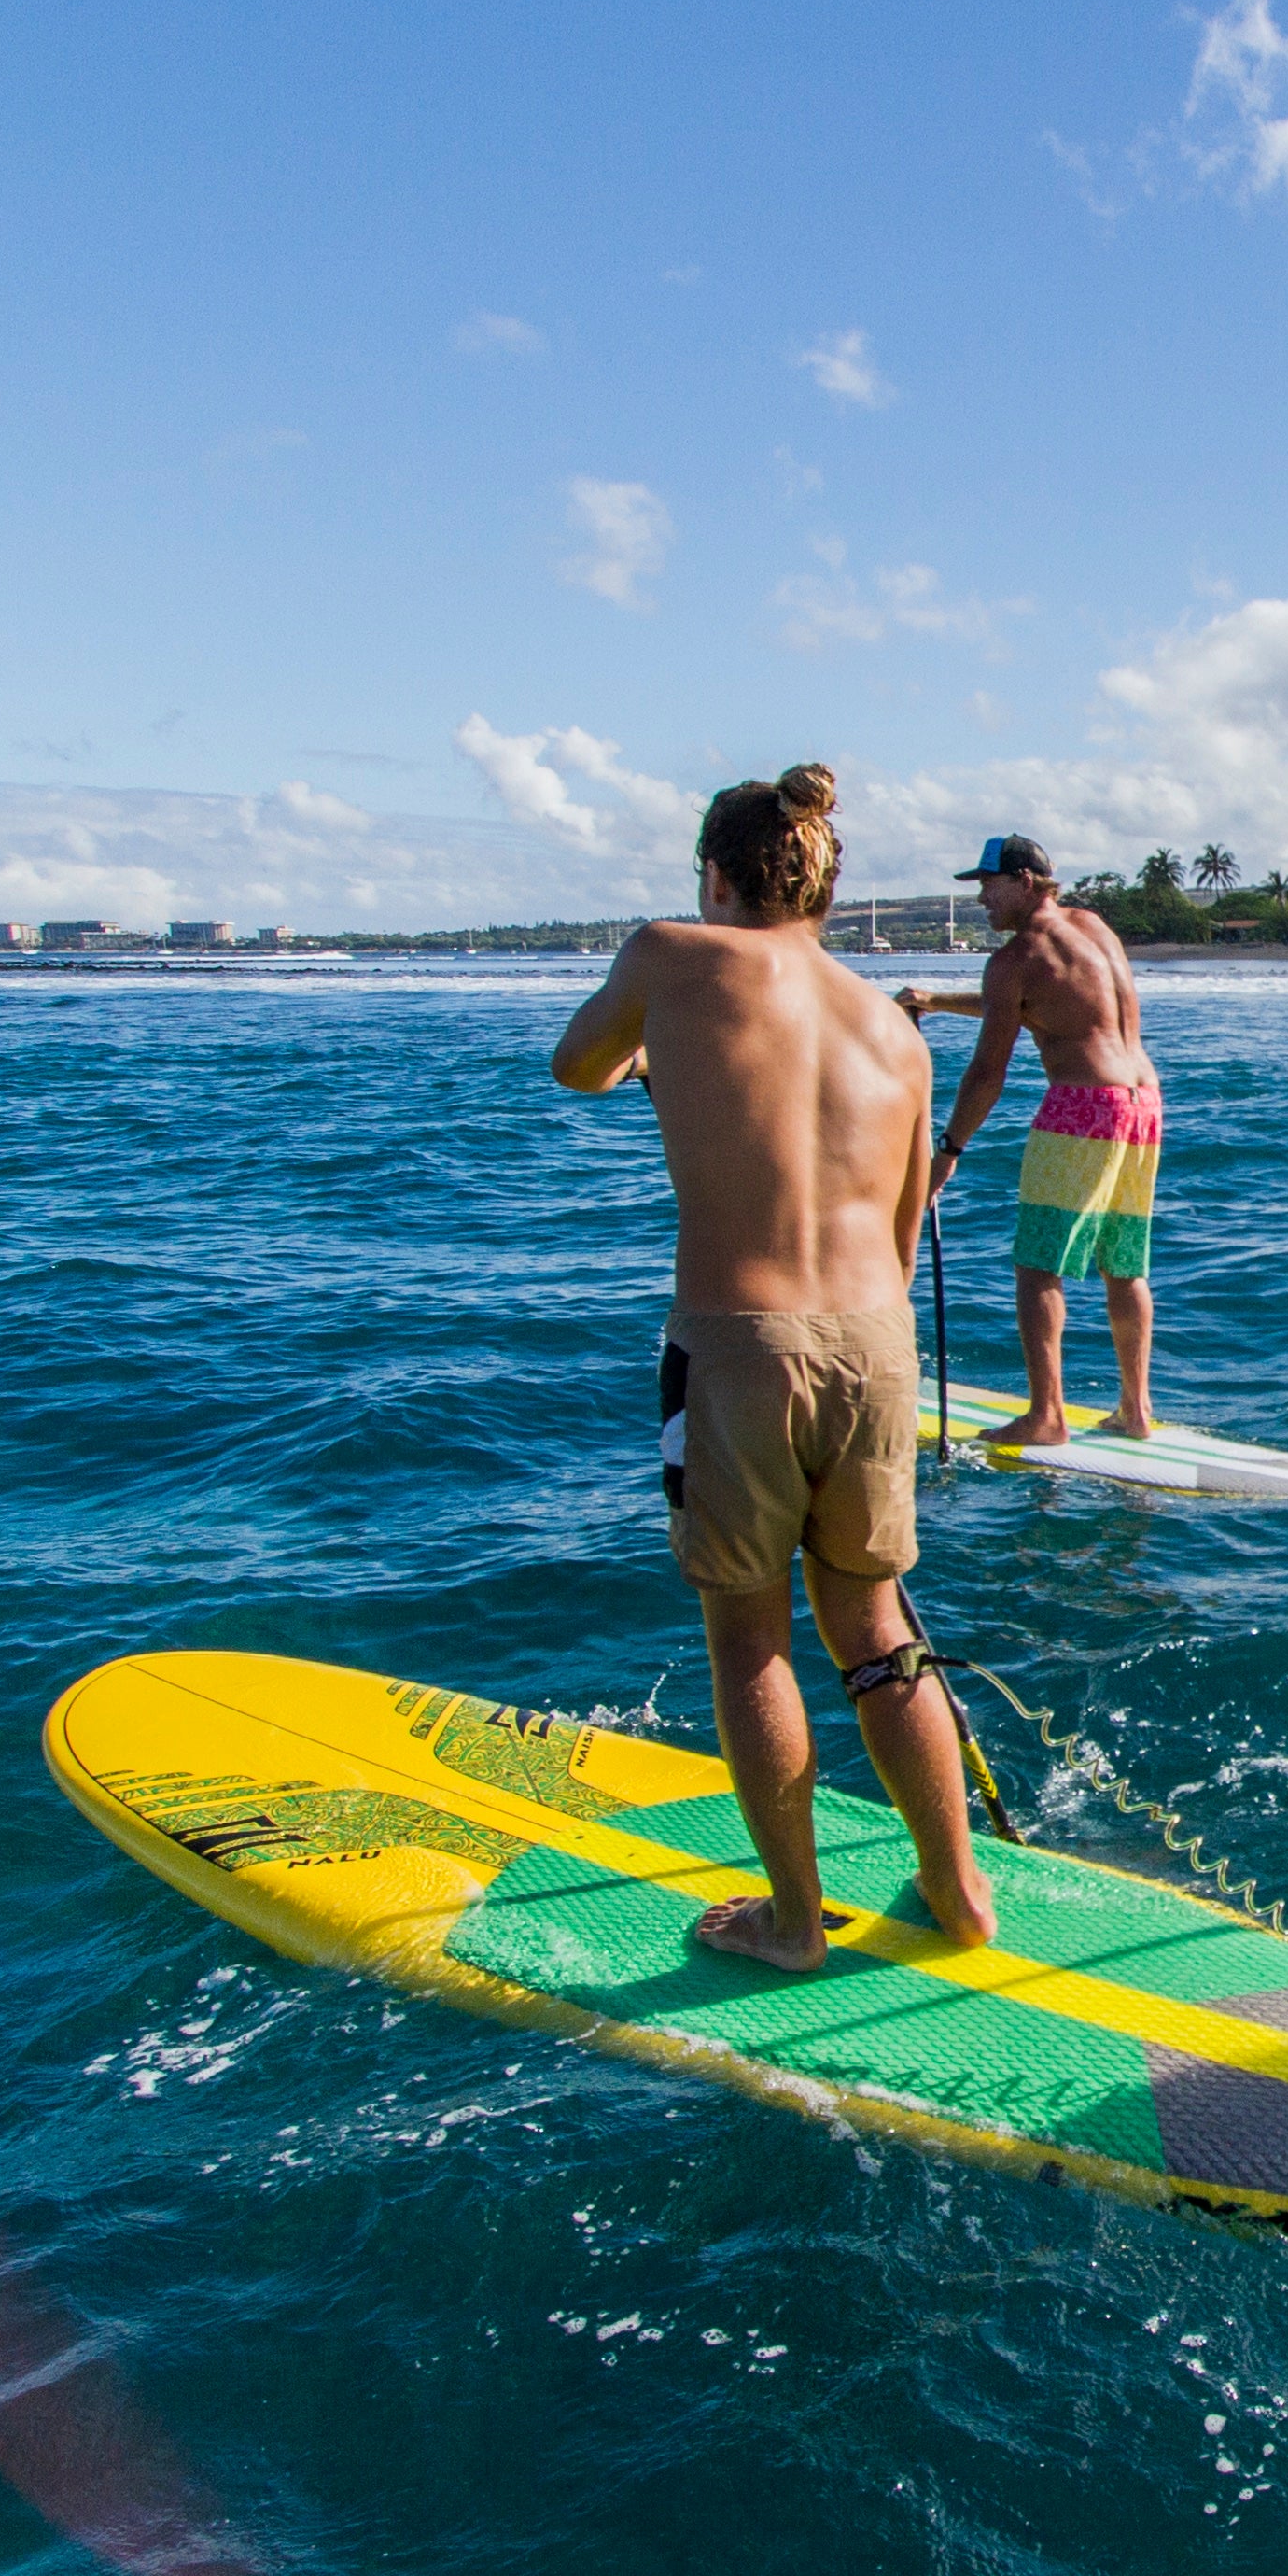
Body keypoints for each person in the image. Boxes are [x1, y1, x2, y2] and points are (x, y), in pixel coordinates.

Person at [549, 767, 997, 1968]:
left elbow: (575, 1065)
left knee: (751, 1641)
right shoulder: (894, 1031)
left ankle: (795, 1920)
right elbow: (907, 1228)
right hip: (878, 1345)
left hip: (743, 1349)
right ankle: (958, 1889)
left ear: (716, 873)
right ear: (824, 883)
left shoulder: (670, 954)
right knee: (874, 1624)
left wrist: (657, 1061)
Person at [898, 832, 1164, 1446]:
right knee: (1123, 1264)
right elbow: (1042, 1005)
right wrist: (937, 1001)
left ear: (1024, 880)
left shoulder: (1015, 958)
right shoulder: (1092, 928)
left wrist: (948, 1150)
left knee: (1038, 1266)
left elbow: (988, 1071)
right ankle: (1135, 1410)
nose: (981, 899)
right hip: (1142, 1103)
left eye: (988, 884)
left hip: (1081, 1109)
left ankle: (1047, 1416)